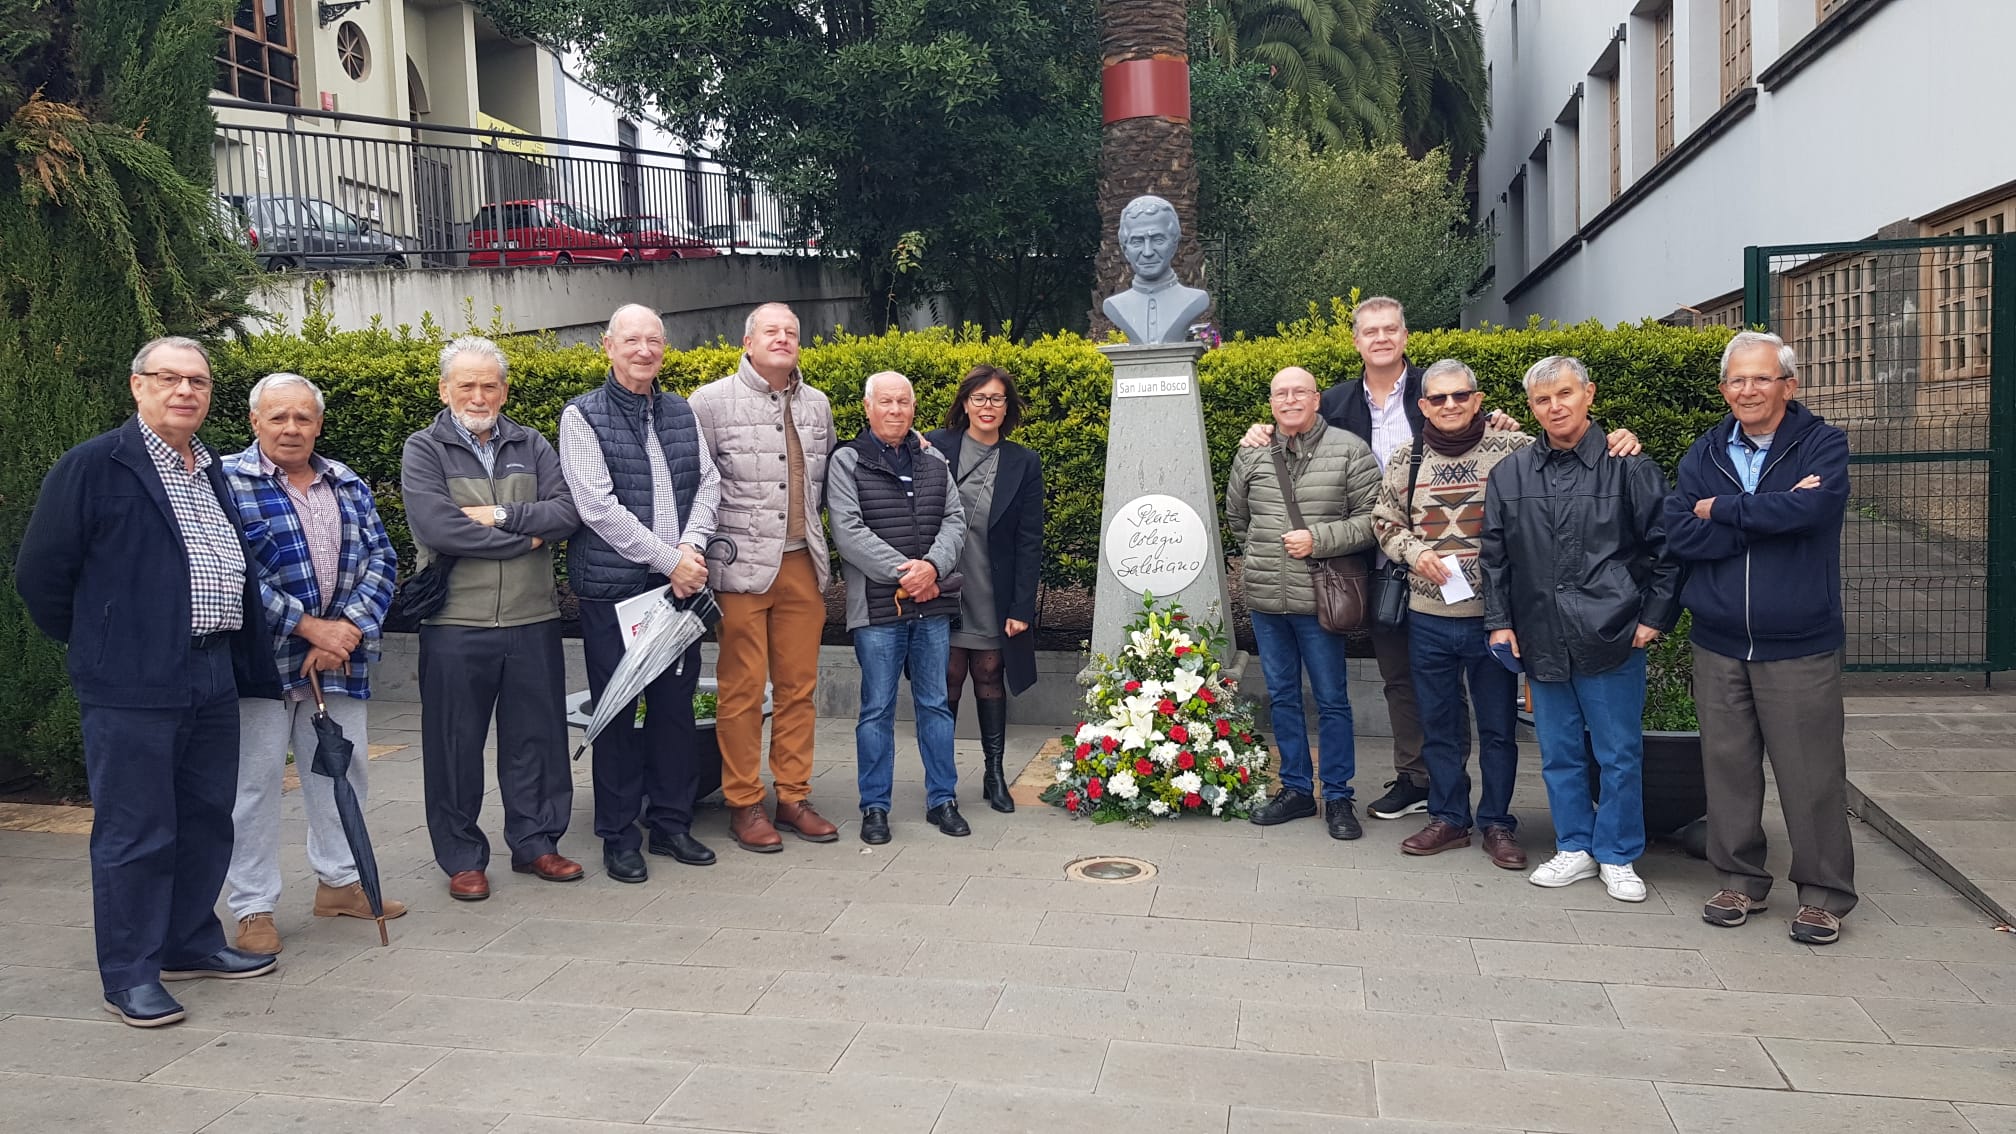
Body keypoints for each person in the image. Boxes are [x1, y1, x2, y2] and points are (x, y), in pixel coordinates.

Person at [1238, 299, 1639, 826]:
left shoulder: (1467, 412)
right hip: (1375, 569)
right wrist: (1260, 435)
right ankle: (1418, 781)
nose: (1380, 338)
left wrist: (1611, 437)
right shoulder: (1334, 402)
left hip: (1479, 592)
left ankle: (1490, 816)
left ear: (1406, 336)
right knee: (1404, 681)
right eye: (1369, 331)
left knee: (1486, 711)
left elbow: (1555, 444)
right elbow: (1251, 507)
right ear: (1356, 340)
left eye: (1390, 329)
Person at [16, 336, 283, 1028]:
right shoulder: (95, 466)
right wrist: (103, 642)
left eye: (198, 381)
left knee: (203, 817)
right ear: (138, 387)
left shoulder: (210, 467)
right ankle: (130, 974)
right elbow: (42, 575)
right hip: (132, 680)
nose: (186, 392)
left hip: (211, 668)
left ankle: (188, 942)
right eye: (169, 379)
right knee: (135, 831)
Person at [1663, 330, 1856, 944]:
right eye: (1737, 380)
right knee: (1728, 768)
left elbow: (1812, 514)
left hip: (1797, 640)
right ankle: (1738, 879)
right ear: (1724, 389)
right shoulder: (1704, 452)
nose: (1748, 389)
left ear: (1788, 385)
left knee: (1810, 772)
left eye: (1761, 378)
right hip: (1719, 638)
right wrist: (1762, 513)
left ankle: (1824, 894)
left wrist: (1720, 509)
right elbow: (1678, 535)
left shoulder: (1822, 444)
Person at [1482, 356, 1679, 903]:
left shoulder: (1629, 467)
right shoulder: (1511, 474)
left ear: (1588, 395)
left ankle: (1618, 853)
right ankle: (1574, 845)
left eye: (1565, 394)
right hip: (1541, 633)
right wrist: (1500, 624)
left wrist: (1651, 621)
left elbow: (1666, 550)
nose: (1555, 407)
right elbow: (1494, 558)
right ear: (1531, 408)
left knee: (1618, 752)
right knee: (1560, 750)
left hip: (1611, 632)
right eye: (1543, 400)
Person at [223, 373, 405, 955]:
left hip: (339, 660)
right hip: (263, 662)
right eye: (278, 417)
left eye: (303, 417)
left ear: (319, 424)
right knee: (253, 785)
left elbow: (382, 556)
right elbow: (239, 574)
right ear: (255, 422)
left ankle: (339, 882)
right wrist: (307, 628)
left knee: (342, 770)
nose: (291, 428)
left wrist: (344, 632)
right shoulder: (228, 482)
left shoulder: (345, 483)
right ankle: (252, 906)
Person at [402, 335, 582, 900]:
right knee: (454, 745)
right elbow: (439, 528)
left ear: (504, 390)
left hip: (533, 618)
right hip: (457, 622)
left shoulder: (531, 443)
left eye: (489, 385)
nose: (478, 395)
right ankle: (462, 856)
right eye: (466, 385)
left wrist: (504, 515)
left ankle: (536, 843)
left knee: (537, 739)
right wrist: (525, 539)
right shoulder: (424, 448)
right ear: (444, 389)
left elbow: (568, 511)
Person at [559, 304, 722, 884]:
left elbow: (709, 483)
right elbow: (597, 507)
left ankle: (673, 824)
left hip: (678, 590)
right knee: (619, 709)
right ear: (607, 345)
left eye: (654, 340)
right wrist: (669, 560)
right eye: (632, 340)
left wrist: (692, 547)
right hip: (617, 590)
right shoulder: (582, 415)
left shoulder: (681, 411)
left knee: (676, 708)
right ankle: (619, 833)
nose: (644, 350)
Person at [688, 302, 842, 853]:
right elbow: (694, 488)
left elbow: (827, 481)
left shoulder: (817, 404)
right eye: (771, 331)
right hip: (739, 571)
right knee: (742, 692)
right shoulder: (708, 402)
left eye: (791, 332)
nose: (783, 339)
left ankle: (794, 797)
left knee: (799, 690)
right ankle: (744, 803)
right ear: (747, 342)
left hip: (802, 563)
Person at [1373, 360, 1529, 869]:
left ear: (1478, 399)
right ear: (1423, 407)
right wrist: (1413, 551)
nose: (1450, 406)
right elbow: (1383, 520)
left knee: (1499, 726)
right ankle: (1448, 817)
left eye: (1460, 396)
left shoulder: (1514, 450)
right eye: (1438, 399)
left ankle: (1498, 823)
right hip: (1429, 616)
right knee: (1438, 723)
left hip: (1494, 617)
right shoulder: (1406, 458)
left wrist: (1620, 439)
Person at [1226, 366, 1381, 839]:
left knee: (1332, 700)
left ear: (1317, 399)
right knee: (1283, 696)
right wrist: (1262, 558)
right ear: (1271, 401)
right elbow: (1237, 517)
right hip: (1268, 600)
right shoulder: (1253, 451)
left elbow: (1374, 520)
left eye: (1299, 392)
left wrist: (1318, 539)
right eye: (1280, 393)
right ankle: (1295, 788)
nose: (1289, 400)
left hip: (1322, 601)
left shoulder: (1350, 450)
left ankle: (1337, 796)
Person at [827, 371, 970, 844]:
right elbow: (848, 531)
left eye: (903, 402)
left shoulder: (932, 459)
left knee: (935, 705)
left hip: (932, 606)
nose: (895, 410)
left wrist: (932, 567)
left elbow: (954, 518)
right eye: (885, 402)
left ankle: (942, 800)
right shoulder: (847, 461)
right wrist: (906, 574)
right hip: (877, 610)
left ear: (913, 407)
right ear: (867, 408)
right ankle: (875, 807)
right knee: (877, 709)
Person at [924, 365, 1044, 814]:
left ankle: (995, 775)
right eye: (979, 398)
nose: (987, 407)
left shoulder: (1023, 461)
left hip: (993, 588)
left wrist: (1022, 606)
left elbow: (1030, 539)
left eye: (996, 399)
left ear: (1007, 407)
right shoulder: (935, 445)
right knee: (948, 678)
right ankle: (943, 779)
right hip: (943, 585)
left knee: (991, 675)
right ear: (965, 403)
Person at [1101, 195, 1211, 345]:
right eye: (1137, 241)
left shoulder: (1196, 300)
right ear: (1125, 249)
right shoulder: (1113, 306)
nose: (1147, 252)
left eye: (1158, 240)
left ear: (1174, 244)